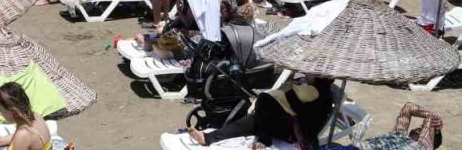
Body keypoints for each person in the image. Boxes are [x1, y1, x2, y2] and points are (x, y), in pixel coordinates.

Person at [186, 76, 335, 149]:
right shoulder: (313, 89)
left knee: (264, 102)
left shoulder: (318, 94)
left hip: (288, 128)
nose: (308, 74)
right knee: (250, 121)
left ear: (321, 76)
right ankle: (208, 138)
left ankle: (264, 139)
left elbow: (301, 113)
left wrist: (291, 88)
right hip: (277, 120)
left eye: (312, 73)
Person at [0, 83, 52, 150]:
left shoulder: (22, 135)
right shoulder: (35, 116)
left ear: (12, 111)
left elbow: (21, 138)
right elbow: (19, 138)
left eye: (0, 108)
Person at [360, 102, 443, 150]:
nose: (417, 129)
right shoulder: (399, 134)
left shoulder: (422, 147)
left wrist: (435, 120)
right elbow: (408, 107)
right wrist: (431, 114)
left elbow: (431, 120)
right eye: (420, 127)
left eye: (421, 129)